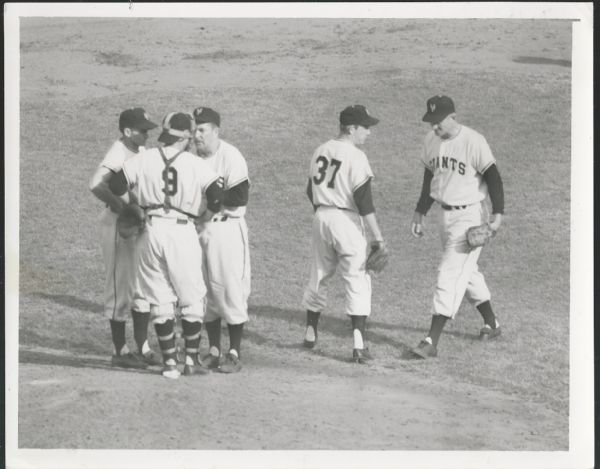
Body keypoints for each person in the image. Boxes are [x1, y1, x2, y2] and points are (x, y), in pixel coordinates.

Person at [108, 112, 223, 379]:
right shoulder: (194, 163)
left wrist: (134, 205)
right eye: (191, 134)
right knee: (192, 298)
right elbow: (217, 197)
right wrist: (204, 217)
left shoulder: (144, 158)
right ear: (184, 136)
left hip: (150, 232)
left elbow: (115, 183)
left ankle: (170, 364)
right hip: (182, 232)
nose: (193, 138)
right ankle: (191, 361)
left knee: (159, 299)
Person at [410, 95, 505, 359]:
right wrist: (420, 211)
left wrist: (498, 215)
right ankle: (493, 324)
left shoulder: (473, 141)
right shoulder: (431, 141)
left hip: (469, 217)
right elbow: (431, 178)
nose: (433, 127)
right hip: (445, 215)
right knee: (467, 271)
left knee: (449, 273)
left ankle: (431, 340)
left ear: (452, 116)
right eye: (430, 122)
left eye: (437, 122)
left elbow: (493, 178)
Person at [301, 104, 386, 364]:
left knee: (319, 273)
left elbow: (309, 190)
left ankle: (310, 333)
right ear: (351, 129)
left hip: (321, 217)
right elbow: (364, 202)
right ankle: (359, 346)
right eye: (365, 127)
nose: (368, 133)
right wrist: (379, 238)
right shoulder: (356, 156)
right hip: (346, 221)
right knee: (356, 277)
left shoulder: (320, 150)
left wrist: (323, 213)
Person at [89, 107, 161, 369]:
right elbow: (96, 183)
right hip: (118, 226)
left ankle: (142, 347)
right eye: (143, 130)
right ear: (128, 131)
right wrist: (121, 207)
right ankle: (120, 351)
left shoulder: (138, 150)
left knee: (141, 287)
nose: (147, 133)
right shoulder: (118, 152)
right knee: (120, 289)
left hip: (137, 226)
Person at [192, 106, 251, 374]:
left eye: (202, 130)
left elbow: (240, 197)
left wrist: (210, 201)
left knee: (230, 289)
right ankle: (214, 350)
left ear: (216, 131)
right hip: (201, 229)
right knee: (206, 290)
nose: (197, 135)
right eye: (195, 130)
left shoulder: (231, 156)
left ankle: (235, 352)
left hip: (227, 230)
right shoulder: (193, 159)